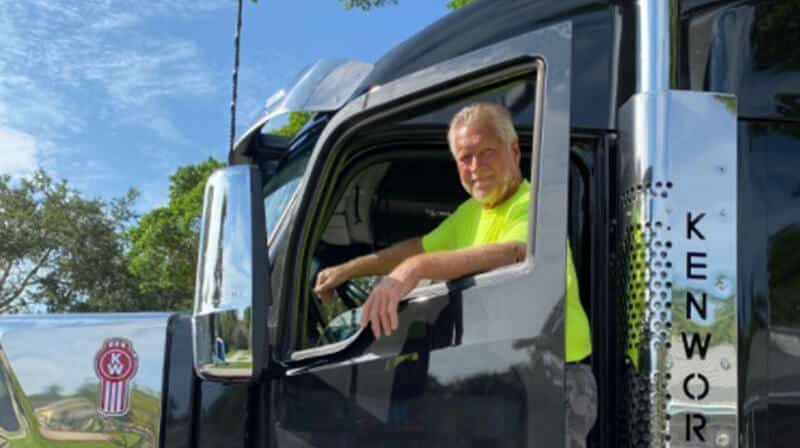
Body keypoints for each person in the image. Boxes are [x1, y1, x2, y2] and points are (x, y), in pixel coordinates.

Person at [315, 102, 596, 447]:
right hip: (503, 379)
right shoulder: (472, 212)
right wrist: (347, 269)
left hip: (555, 381)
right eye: (465, 158)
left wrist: (414, 271)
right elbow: (418, 247)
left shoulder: (533, 203)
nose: (475, 167)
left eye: (486, 152)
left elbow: (514, 252)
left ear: (514, 150)